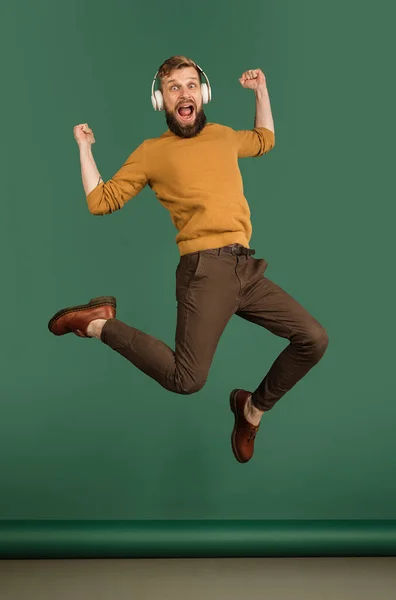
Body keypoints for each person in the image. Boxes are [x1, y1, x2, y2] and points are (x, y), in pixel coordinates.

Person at [48, 56, 329, 464]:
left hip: (245, 268)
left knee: (313, 339)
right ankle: (97, 323)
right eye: (173, 87)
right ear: (160, 100)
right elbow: (100, 201)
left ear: (204, 94)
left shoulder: (223, 136)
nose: (184, 93)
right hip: (205, 272)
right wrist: (85, 149)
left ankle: (251, 409)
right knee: (187, 380)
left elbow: (264, 139)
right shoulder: (151, 153)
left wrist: (261, 90)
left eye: (191, 85)